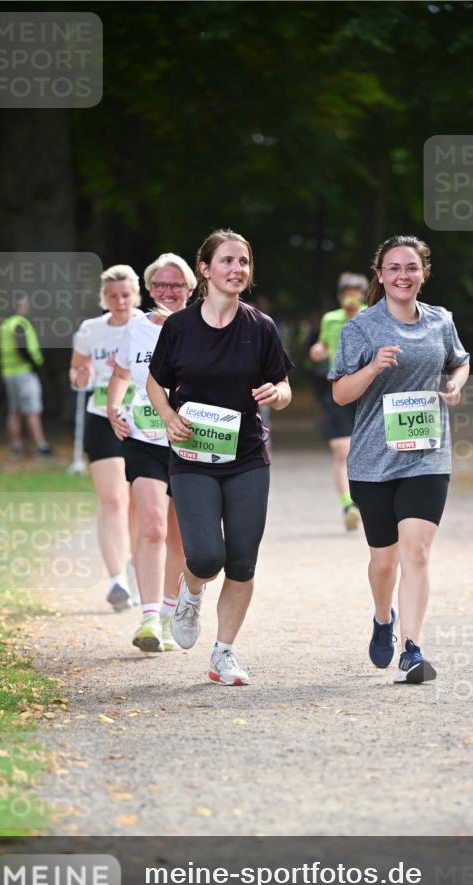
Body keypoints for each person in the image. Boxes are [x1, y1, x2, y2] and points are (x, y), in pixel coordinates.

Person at [147, 229, 293, 686]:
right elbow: (155, 382)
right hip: (192, 456)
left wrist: (278, 393)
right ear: (206, 270)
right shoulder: (179, 328)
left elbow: (283, 387)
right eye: (227, 261)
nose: (237, 270)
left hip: (247, 455)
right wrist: (168, 414)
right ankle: (191, 591)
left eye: (244, 262)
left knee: (243, 561)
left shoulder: (260, 327)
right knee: (207, 556)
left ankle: (223, 653)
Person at [329, 235, 470, 683]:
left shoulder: (441, 321)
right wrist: (372, 368)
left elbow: (459, 361)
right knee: (384, 561)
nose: (403, 276)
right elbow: (339, 392)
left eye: (411, 267)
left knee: (417, 552)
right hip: (373, 459)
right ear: (381, 275)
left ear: (423, 273)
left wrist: (456, 385)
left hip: (428, 456)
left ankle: (412, 647)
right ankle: (382, 617)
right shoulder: (361, 328)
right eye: (394, 268)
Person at [107, 253, 195, 652]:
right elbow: (122, 374)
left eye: (175, 285)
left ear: (191, 289)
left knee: (179, 536)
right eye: (160, 285)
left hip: (191, 441)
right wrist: (113, 406)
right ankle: (147, 619)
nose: (167, 292)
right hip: (144, 439)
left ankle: (169, 609)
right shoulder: (135, 329)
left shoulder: (205, 326)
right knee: (153, 526)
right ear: (149, 288)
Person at [69, 265, 142, 612]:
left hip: (143, 421)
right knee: (114, 498)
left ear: (137, 295)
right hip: (102, 417)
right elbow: (77, 373)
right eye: (113, 296)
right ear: (104, 298)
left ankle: (131, 562)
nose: (120, 301)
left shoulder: (149, 325)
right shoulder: (90, 331)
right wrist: (79, 375)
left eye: (126, 294)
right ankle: (117, 581)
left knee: (137, 500)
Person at [309, 272, 369, 529]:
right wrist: (318, 351)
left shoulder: (373, 316)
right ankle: (348, 505)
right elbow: (322, 347)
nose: (351, 298)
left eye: (356, 293)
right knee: (341, 450)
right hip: (338, 390)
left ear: (363, 296)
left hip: (368, 392)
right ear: (340, 296)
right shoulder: (330, 319)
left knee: (366, 451)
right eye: (346, 293)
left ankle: (369, 501)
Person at [0, 293, 53, 456]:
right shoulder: (19, 324)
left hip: (8, 372)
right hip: (24, 372)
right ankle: (41, 446)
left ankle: (16, 445)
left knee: (14, 410)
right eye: (25, 303)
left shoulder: (5, 324)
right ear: (19, 305)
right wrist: (35, 365)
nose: (27, 306)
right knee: (33, 410)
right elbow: (22, 348)